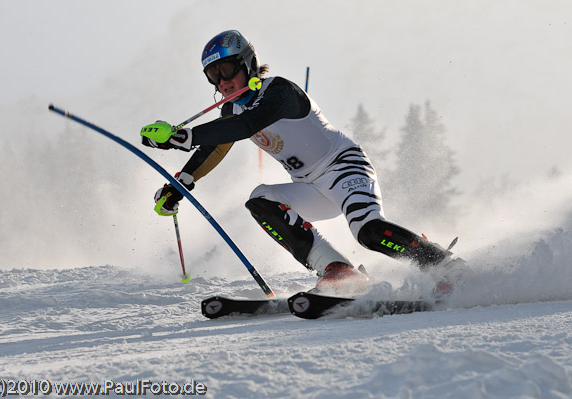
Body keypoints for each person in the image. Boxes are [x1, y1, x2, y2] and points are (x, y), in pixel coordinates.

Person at [141, 30, 456, 292]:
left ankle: (444, 265)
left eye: (227, 70)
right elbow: (215, 148)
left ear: (247, 64)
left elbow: (248, 126)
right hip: (309, 187)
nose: (222, 82)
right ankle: (338, 271)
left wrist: (182, 137)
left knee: (368, 231)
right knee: (260, 200)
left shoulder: (279, 91)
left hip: (343, 168)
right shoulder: (231, 111)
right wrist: (181, 183)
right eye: (213, 75)